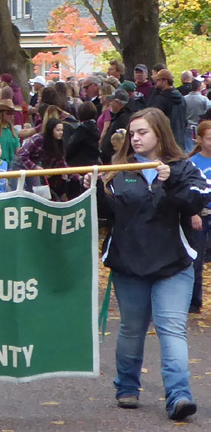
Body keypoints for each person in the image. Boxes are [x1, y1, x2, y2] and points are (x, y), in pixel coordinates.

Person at [82, 108, 207, 421]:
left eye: (142, 132)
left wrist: (172, 178)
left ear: (160, 133)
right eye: (132, 133)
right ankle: (127, 385)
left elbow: (197, 201)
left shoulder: (182, 166)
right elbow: (105, 213)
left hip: (173, 264)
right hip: (129, 263)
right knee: (132, 328)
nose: (135, 138)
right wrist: (93, 187)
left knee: (172, 330)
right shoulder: (118, 169)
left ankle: (179, 396)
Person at [188, 120, 211, 314]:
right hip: (201, 215)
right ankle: (194, 301)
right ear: (201, 139)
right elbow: (188, 190)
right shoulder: (193, 162)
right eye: (210, 139)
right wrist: (193, 213)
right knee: (197, 260)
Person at [16, 118, 69, 199]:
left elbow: (62, 162)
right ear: (51, 130)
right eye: (58, 130)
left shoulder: (59, 143)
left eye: (62, 130)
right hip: (18, 165)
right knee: (17, 192)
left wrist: (75, 175)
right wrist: (35, 167)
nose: (61, 132)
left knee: (36, 195)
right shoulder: (38, 139)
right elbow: (22, 156)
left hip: (33, 168)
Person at [66, 101, 102, 167]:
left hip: (80, 165)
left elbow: (71, 146)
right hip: (93, 163)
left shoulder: (82, 130)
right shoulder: (95, 128)